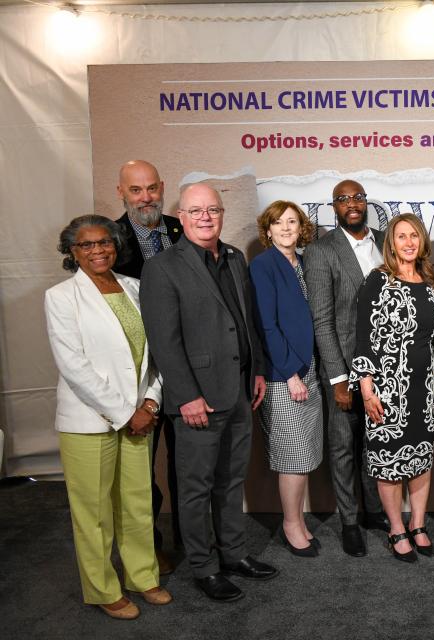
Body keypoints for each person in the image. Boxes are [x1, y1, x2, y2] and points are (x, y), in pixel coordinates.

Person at [140, 183, 278, 603]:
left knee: (230, 480)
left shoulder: (234, 258)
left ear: (220, 214)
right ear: (180, 216)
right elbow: (164, 341)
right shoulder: (163, 267)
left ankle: (234, 554)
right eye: (195, 210)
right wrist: (184, 396)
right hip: (197, 396)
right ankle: (204, 566)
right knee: (197, 487)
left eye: (212, 209)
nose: (205, 217)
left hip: (238, 390)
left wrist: (256, 371)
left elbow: (245, 321)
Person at [44, 215, 172, 619]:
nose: (98, 250)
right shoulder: (61, 297)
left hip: (140, 416)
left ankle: (142, 575)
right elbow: (73, 366)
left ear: (116, 245)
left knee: (136, 504)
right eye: (86, 245)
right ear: (72, 252)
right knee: (94, 512)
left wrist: (150, 404)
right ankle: (102, 588)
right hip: (89, 422)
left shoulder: (135, 288)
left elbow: (156, 357)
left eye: (104, 242)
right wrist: (125, 414)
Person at [302, 179, 389, 558]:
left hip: (388, 368)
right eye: (343, 199)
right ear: (333, 207)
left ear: (365, 202)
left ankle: (373, 511)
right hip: (345, 368)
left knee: (377, 443)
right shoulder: (322, 251)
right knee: (342, 448)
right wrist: (339, 378)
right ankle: (349, 521)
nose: (351, 204)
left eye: (357, 197)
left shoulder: (388, 240)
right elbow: (321, 320)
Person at [351, 213, 434, 563]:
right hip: (387, 390)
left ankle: (418, 525)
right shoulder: (378, 280)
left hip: (424, 388)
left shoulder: (430, 279)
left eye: (414, 236)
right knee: (389, 463)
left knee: (421, 460)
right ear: (391, 243)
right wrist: (367, 390)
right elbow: (363, 339)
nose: (408, 242)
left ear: (421, 242)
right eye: (401, 236)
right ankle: (396, 529)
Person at [112, 160, 183, 575]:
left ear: (162, 187)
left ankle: (188, 541)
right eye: (135, 191)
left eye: (151, 189)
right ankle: (149, 546)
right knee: (141, 470)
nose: (145, 198)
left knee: (184, 463)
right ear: (121, 192)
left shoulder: (180, 229)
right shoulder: (110, 239)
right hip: (138, 371)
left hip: (184, 368)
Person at [249, 201, 324, 558]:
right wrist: (290, 373)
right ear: (268, 229)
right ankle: (291, 524)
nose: (285, 228)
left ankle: (299, 520)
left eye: (292, 221)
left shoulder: (305, 262)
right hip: (286, 375)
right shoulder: (263, 266)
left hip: (310, 370)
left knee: (305, 451)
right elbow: (266, 325)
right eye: (277, 222)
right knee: (292, 456)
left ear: (301, 227)